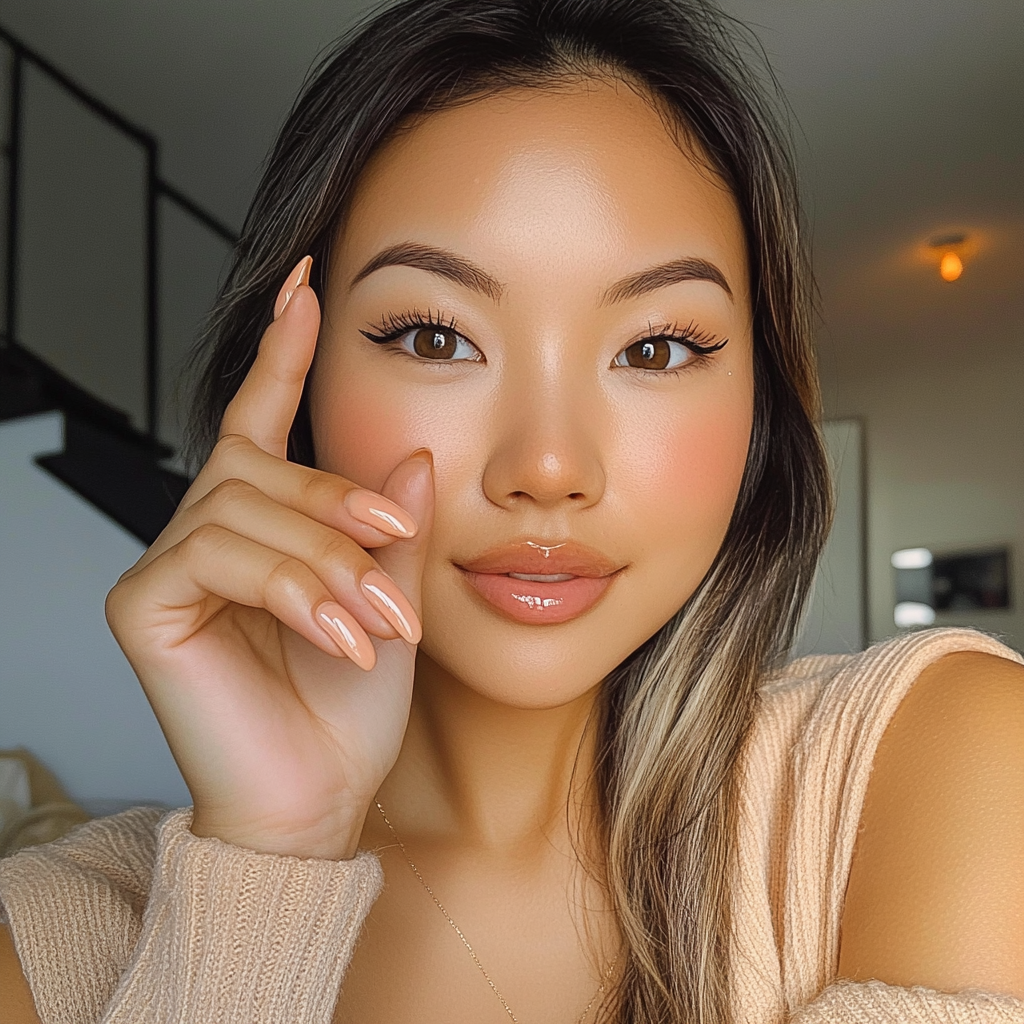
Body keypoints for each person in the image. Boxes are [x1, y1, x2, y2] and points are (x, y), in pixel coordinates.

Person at [1, 0, 1022, 1021]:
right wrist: (270, 853)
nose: (546, 465)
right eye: (435, 337)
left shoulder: (936, 767)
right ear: (296, 380)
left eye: (656, 347)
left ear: (760, 410)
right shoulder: (47, 952)